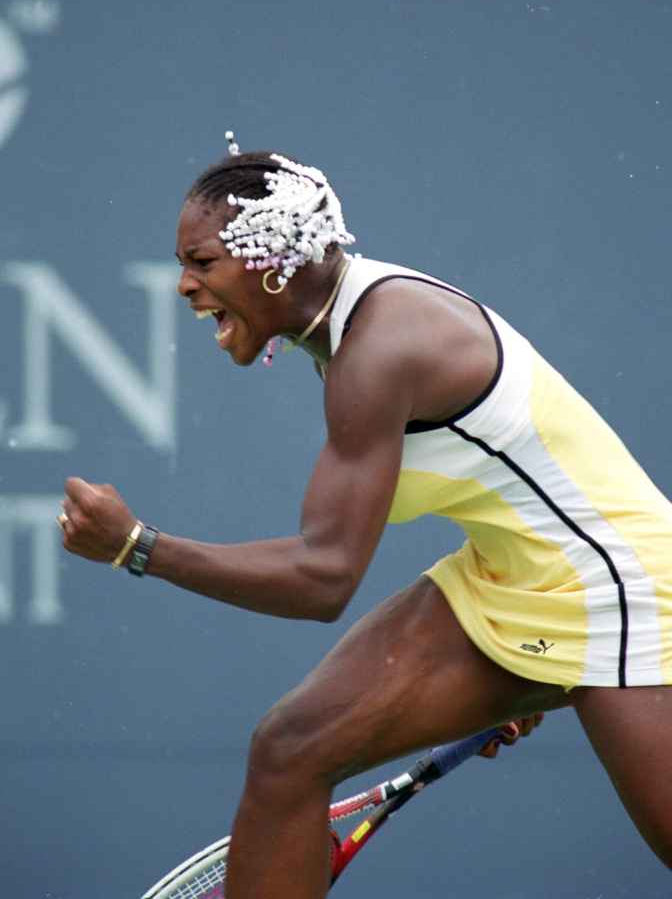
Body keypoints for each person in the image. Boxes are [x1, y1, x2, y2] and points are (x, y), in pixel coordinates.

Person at [59, 134, 672, 896]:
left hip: (617, 587)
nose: (183, 285)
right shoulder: (345, 326)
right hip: (511, 580)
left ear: (274, 259)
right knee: (291, 748)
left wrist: (136, 546)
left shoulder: (379, 351)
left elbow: (323, 578)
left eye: (203, 261)